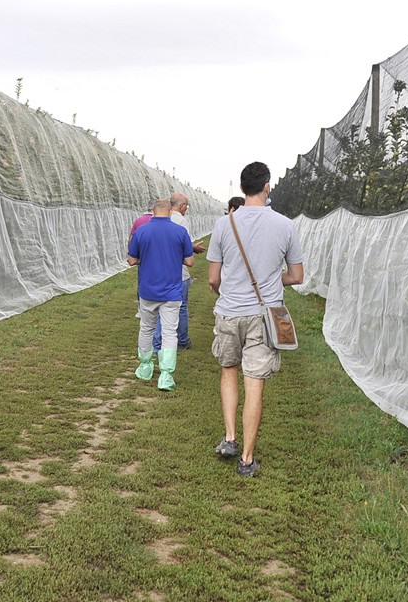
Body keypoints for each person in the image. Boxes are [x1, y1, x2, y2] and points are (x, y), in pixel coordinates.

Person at [207, 162, 304, 478]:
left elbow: (213, 279)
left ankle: (229, 438)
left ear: (241, 188)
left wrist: (227, 290)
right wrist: (272, 280)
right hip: (264, 317)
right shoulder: (285, 225)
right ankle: (247, 459)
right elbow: (297, 276)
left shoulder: (224, 225)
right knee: (254, 382)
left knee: (228, 371)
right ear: (267, 187)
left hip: (229, 312)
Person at [128, 199, 195, 391]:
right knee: (169, 332)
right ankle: (166, 374)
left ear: (153, 211)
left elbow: (131, 260)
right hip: (172, 291)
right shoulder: (180, 232)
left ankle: (145, 366)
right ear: (170, 211)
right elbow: (190, 261)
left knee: (146, 328)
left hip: (148, 290)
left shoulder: (142, 231)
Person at [154, 192, 206, 352]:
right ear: (182, 206)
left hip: (160, 272)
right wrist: (192, 249)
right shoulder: (181, 221)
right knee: (181, 308)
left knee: (160, 308)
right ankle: (182, 339)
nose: (186, 209)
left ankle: (157, 343)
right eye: (186, 206)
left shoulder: (160, 218)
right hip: (179, 272)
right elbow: (183, 248)